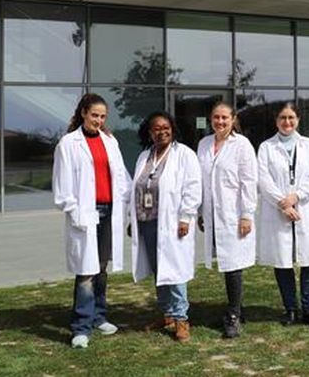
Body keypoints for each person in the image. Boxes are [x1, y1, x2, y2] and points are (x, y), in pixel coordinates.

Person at [52, 93, 131, 349]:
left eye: (102, 116)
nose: (98, 120)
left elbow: (121, 176)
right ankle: (81, 327)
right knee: (86, 271)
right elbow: (62, 187)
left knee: (102, 267)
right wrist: (74, 212)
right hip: (86, 212)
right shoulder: (68, 143)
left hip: (109, 210)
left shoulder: (110, 141)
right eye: (94, 115)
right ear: (84, 113)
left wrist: (130, 203)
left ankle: (99, 316)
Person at [128, 111, 201, 343]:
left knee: (175, 271)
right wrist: (132, 219)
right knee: (159, 270)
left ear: (172, 129)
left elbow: (193, 186)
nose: (162, 131)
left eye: (166, 127)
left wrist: (186, 217)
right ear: (150, 133)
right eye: (157, 128)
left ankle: (181, 319)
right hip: (148, 222)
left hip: (172, 223)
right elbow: (135, 188)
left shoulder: (184, 154)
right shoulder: (144, 157)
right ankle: (167, 314)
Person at [257, 102, 309, 329]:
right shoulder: (266, 147)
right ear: (276, 121)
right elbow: (263, 179)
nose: (287, 122)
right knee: (283, 261)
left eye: (291, 118)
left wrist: (297, 196)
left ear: (298, 120)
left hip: (303, 207)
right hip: (279, 211)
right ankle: (290, 309)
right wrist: (282, 203)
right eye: (283, 118)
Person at [197, 101, 258, 339]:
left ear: (233, 120)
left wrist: (246, 214)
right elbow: (200, 181)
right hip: (212, 214)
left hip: (233, 214)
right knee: (226, 263)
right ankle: (236, 309)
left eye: (224, 118)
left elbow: (249, 182)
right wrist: (202, 212)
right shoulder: (203, 144)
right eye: (216, 118)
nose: (220, 122)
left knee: (233, 266)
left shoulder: (241, 145)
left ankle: (233, 314)